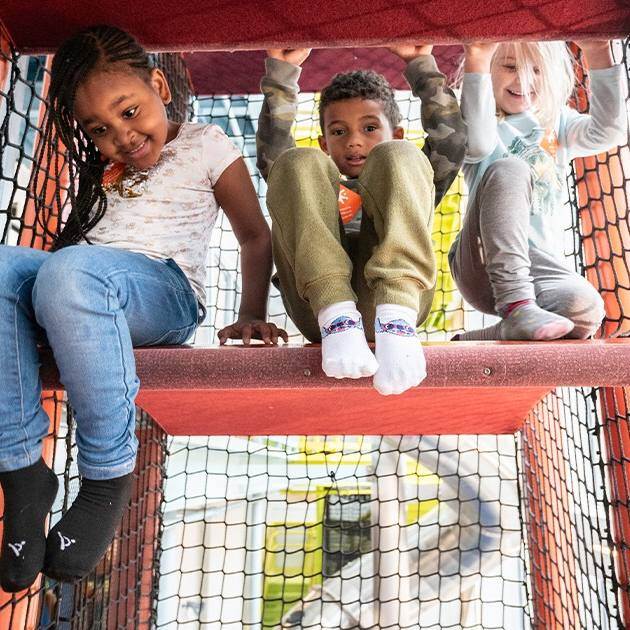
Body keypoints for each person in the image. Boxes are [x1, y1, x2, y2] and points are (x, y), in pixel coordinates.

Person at [0, 24, 285, 591]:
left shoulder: (205, 143)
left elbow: (255, 234)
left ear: (160, 85)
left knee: (69, 270)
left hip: (165, 292)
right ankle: (21, 469)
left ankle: (108, 475)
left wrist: (251, 308)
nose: (121, 137)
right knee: (7, 266)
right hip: (82, 282)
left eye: (130, 112)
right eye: (99, 129)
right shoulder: (101, 169)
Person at [257, 45, 466, 395]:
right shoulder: (311, 182)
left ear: (395, 132)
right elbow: (275, 153)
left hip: (397, 302)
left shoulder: (407, 175)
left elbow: (452, 141)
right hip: (319, 310)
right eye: (339, 132)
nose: (354, 141)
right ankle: (337, 316)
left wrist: (420, 65)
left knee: (400, 159)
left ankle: (396, 323)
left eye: (370, 128)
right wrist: (281, 74)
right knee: (294, 163)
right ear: (325, 142)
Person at [449, 40, 628, 340]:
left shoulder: (555, 122)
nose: (523, 80)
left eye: (536, 70)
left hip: (538, 268)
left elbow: (609, 131)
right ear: (490, 67)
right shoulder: (475, 117)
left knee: (585, 310)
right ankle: (517, 305)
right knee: (511, 168)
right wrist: (477, 58)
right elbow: (478, 143)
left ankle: (500, 330)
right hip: (481, 263)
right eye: (509, 67)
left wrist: (598, 52)